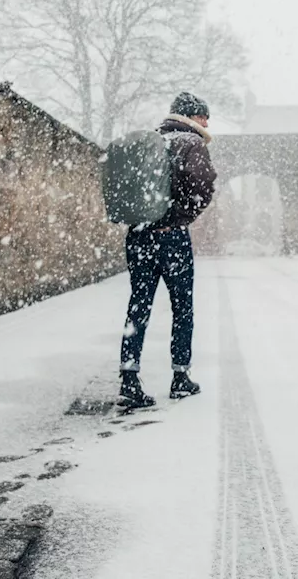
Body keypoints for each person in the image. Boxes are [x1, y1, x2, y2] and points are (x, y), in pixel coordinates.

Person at [118, 92, 217, 408]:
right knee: (182, 307)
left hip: (138, 235)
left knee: (139, 305)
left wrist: (148, 219)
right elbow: (202, 186)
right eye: (205, 116)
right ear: (194, 117)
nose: (207, 123)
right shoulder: (191, 143)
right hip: (171, 237)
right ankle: (180, 377)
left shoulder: (153, 141)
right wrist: (178, 217)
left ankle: (129, 377)